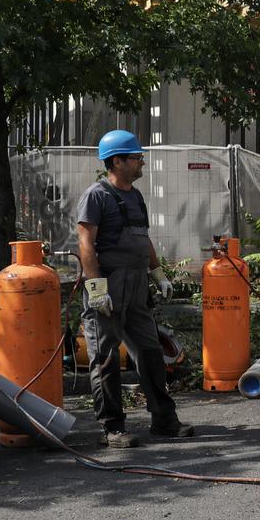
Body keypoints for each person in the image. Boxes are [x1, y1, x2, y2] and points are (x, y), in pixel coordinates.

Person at [75, 130, 193, 448]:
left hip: (136, 286)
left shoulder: (135, 196)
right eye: (136, 157)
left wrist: (157, 273)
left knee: (151, 351)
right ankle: (112, 428)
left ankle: (164, 420)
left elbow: (142, 237)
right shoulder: (96, 196)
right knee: (105, 357)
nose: (142, 161)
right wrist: (97, 288)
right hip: (108, 287)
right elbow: (85, 241)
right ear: (117, 161)